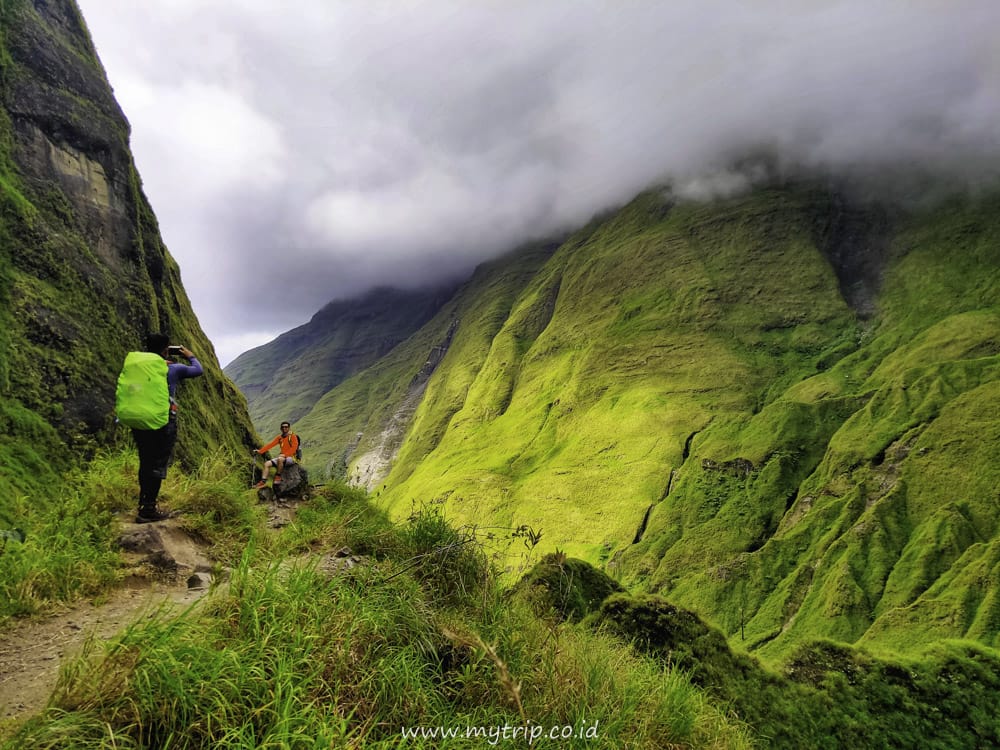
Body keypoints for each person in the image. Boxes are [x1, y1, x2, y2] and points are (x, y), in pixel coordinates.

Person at [131, 333, 203, 523]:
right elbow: (198, 370)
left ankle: (143, 503)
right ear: (166, 350)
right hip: (163, 422)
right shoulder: (173, 369)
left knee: (145, 461)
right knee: (158, 464)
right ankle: (148, 509)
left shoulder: (138, 366)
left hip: (140, 421)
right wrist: (189, 355)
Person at [253, 421, 300, 488]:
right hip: (282, 457)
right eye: (283, 427)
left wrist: (285, 455)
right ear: (281, 428)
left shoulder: (293, 436)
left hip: (291, 458)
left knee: (280, 459)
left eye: (286, 427)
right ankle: (263, 482)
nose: (284, 428)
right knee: (267, 464)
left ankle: (278, 476)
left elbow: (294, 448)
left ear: (289, 428)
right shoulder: (279, 437)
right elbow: (271, 445)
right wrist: (260, 451)